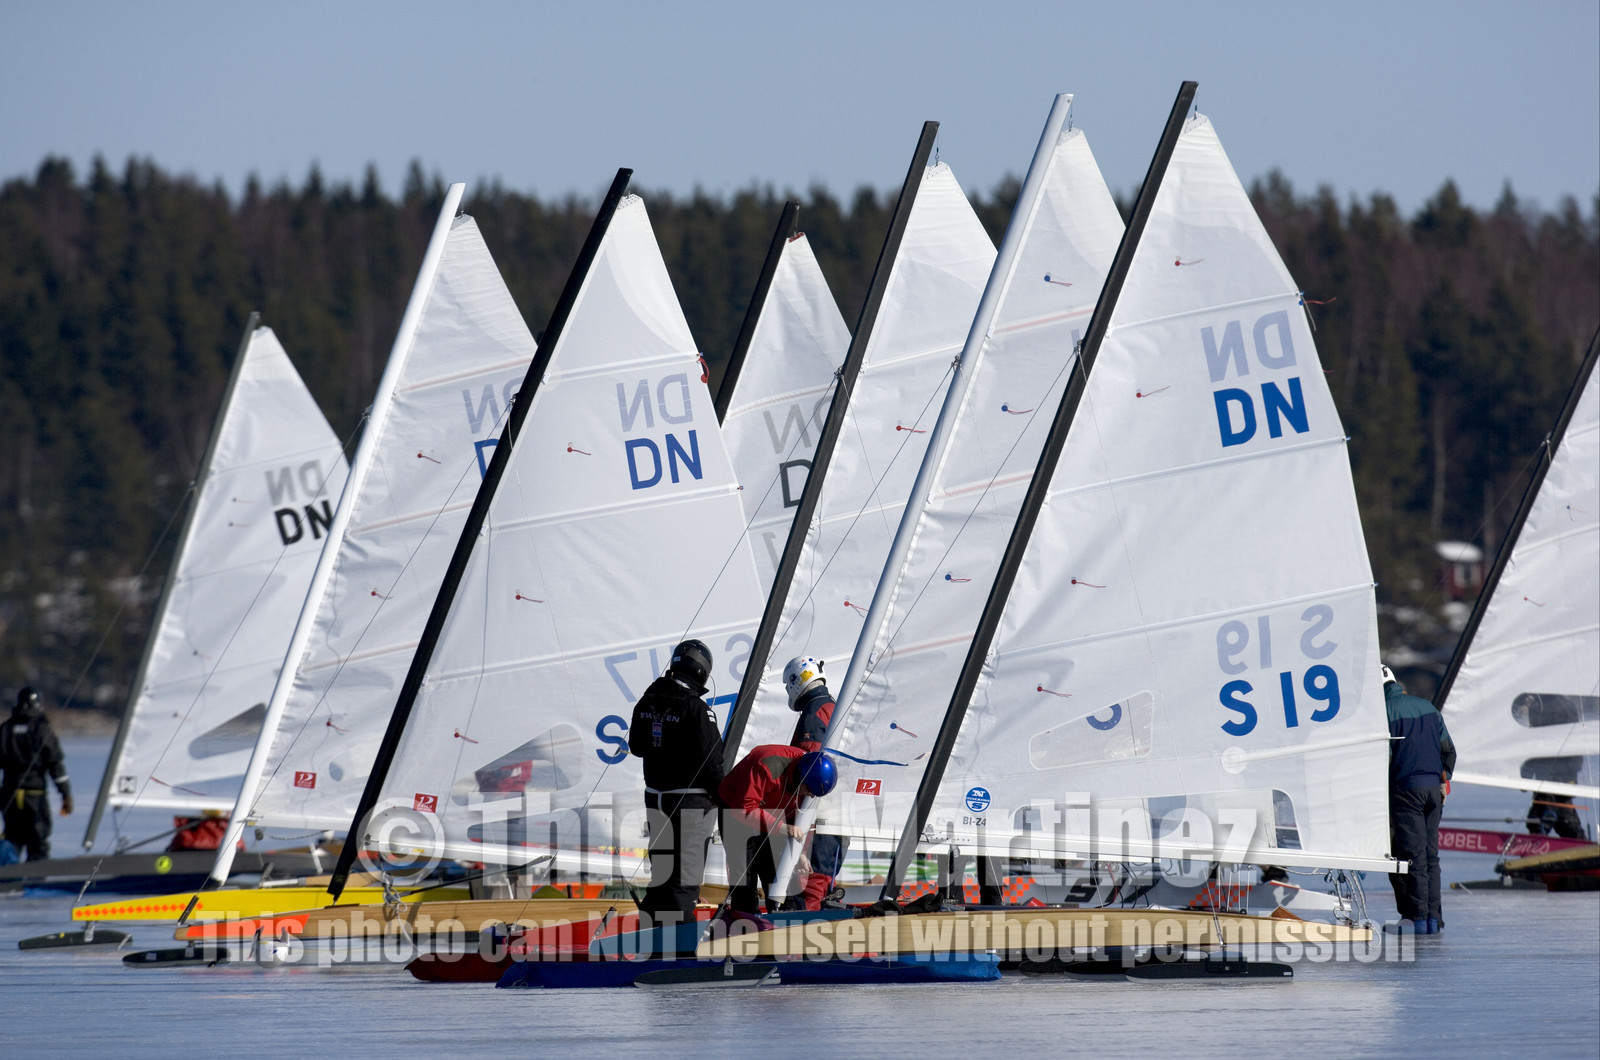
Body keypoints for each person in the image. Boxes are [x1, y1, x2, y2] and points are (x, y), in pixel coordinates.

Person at [628, 639, 724, 921]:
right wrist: (725, 798)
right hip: (689, 803)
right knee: (683, 881)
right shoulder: (697, 709)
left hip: (656, 798)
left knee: (661, 876)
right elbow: (713, 762)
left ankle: (649, 938)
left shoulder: (647, 701)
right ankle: (675, 951)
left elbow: (637, 747)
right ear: (702, 671)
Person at [718, 744, 837, 915]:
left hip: (772, 814)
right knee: (744, 877)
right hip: (736, 810)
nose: (809, 796)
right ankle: (744, 922)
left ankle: (783, 917)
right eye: (808, 791)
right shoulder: (767, 764)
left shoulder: (809, 786)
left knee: (777, 872)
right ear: (800, 778)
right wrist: (782, 828)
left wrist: (800, 854)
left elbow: (798, 821)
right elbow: (744, 809)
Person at [1383, 665, 1454, 933]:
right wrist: (1443, 780)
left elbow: (1384, 759)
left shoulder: (1384, 712)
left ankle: (1417, 919)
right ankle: (1434, 919)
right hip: (1434, 791)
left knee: (1411, 856)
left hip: (1406, 790)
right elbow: (1448, 751)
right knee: (1431, 857)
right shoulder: (1428, 706)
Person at [782, 656, 848, 910]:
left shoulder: (814, 711)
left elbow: (811, 766)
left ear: (796, 681)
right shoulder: (833, 706)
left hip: (817, 811)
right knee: (822, 877)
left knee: (807, 878)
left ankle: (801, 932)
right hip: (838, 808)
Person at [0, 687, 73, 861]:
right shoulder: (42, 729)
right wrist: (66, 794)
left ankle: (7, 879)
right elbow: (55, 763)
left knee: (12, 838)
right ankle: (36, 882)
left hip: (9, 794)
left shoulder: (5, 729)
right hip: (35, 795)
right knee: (38, 841)